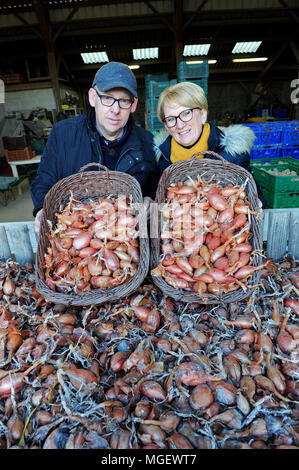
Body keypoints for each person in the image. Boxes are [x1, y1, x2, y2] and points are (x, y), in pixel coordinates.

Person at [31, 61, 160, 235]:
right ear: (93, 97)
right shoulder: (63, 134)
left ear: (134, 104)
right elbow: (43, 182)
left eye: (124, 100)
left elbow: (155, 190)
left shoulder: (148, 142)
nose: (115, 109)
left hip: (126, 238)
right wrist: (41, 209)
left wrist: (151, 202)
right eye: (107, 98)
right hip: (74, 234)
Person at [154, 81, 258, 178]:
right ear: (166, 125)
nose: (180, 125)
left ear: (203, 114)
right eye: (171, 119)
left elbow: (252, 194)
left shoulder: (232, 155)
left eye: (186, 113)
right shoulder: (161, 159)